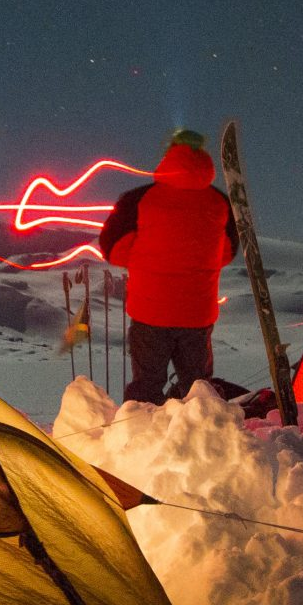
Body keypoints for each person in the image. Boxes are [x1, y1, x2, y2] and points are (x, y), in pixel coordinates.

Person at [96, 128, 240, 404]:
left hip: (150, 312)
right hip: (197, 314)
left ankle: (142, 438)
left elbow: (113, 249)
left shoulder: (139, 199)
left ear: (168, 156)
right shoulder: (220, 202)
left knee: (146, 389)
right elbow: (227, 252)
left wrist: (147, 255)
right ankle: (203, 440)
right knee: (199, 391)